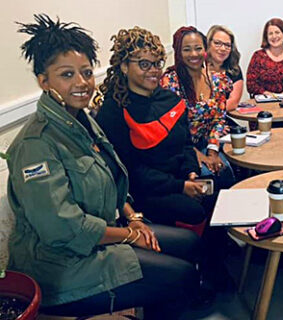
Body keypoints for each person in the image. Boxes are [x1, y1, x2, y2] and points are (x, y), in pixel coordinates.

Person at [8, 15, 200, 318]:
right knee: (182, 276)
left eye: (86, 72)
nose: (82, 83)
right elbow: (64, 229)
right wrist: (128, 236)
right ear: (43, 81)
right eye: (67, 75)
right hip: (62, 266)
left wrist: (133, 218)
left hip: (102, 238)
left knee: (189, 243)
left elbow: (112, 179)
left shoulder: (82, 121)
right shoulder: (36, 144)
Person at [96, 27, 208, 226]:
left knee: (220, 190)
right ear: (124, 66)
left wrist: (192, 172)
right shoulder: (114, 110)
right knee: (196, 211)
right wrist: (180, 186)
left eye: (157, 64)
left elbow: (186, 145)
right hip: (144, 192)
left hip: (180, 179)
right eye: (144, 64)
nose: (154, 71)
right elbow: (128, 169)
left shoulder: (171, 101)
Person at [160, 26, 235, 190]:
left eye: (198, 48)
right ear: (178, 52)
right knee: (207, 177)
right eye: (187, 49)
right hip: (181, 149)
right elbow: (172, 130)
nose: (194, 54)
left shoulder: (217, 80)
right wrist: (196, 154)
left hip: (209, 143)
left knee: (226, 171)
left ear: (205, 50)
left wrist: (212, 151)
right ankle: (207, 215)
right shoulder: (170, 83)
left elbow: (219, 119)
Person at [246, 18, 283, 98]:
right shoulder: (258, 57)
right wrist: (267, 94)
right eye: (270, 34)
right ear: (266, 37)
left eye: (277, 32)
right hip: (263, 105)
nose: (274, 36)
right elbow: (250, 85)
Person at [206, 25, 243, 113]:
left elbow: (233, 103)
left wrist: (209, 111)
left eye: (227, 45)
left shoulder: (234, 70)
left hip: (222, 118)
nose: (223, 49)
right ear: (208, 43)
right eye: (218, 43)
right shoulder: (198, 68)